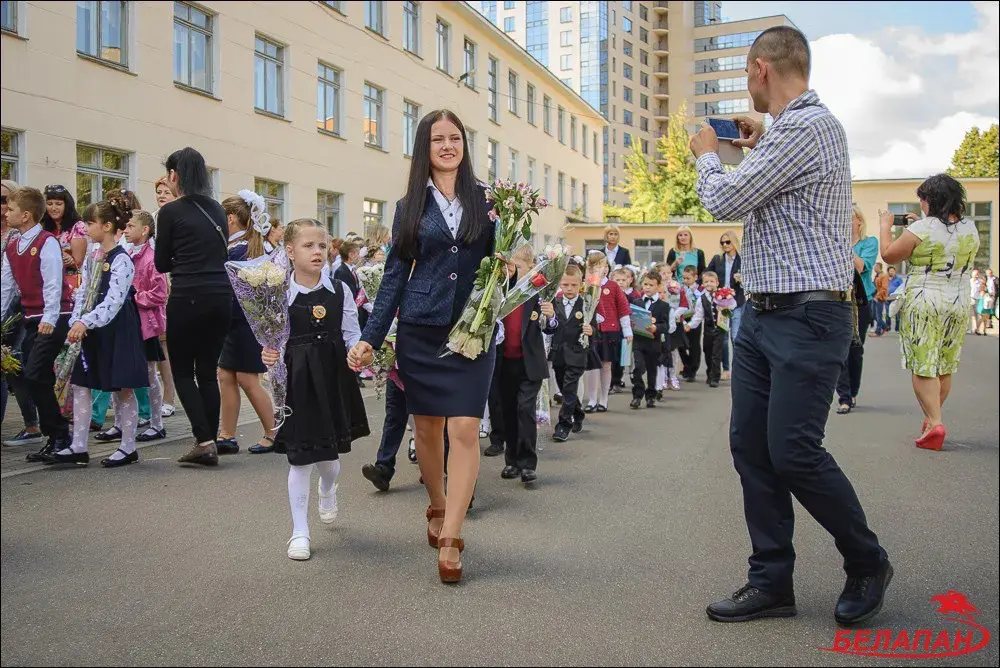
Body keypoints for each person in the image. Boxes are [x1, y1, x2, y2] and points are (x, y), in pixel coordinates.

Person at [691, 26, 891, 625]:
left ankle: (867, 560)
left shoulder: (810, 126)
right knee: (751, 447)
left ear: (759, 70)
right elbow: (776, 184)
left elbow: (725, 201)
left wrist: (708, 152)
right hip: (763, 313)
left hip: (809, 313)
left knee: (794, 451)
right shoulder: (792, 131)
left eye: (746, 76)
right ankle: (771, 581)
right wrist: (760, 137)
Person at [347, 109, 495, 584]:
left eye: (455, 138)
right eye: (438, 140)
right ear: (424, 148)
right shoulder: (409, 205)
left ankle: (452, 534)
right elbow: (393, 277)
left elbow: (498, 260)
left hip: (472, 333)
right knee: (428, 431)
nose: (448, 146)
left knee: (467, 429)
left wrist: (510, 267)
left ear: (464, 145)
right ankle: (435, 503)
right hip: (421, 331)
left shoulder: (490, 201)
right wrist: (370, 338)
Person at [261, 219, 369, 560]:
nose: (317, 252)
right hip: (297, 380)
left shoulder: (340, 289)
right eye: (308, 246)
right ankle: (299, 532)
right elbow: (269, 338)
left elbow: (351, 331)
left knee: (329, 460)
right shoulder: (277, 291)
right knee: (299, 459)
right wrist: (266, 354)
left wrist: (358, 350)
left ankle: (327, 488)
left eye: (322, 245)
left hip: (333, 375)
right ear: (290, 251)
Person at [44, 193, 148, 467]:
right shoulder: (93, 256)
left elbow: (114, 300)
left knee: (121, 388)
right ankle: (79, 445)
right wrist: (76, 320)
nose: (86, 228)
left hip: (116, 328)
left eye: (90, 223)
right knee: (81, 384)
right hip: (92, 327)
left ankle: (128, 446)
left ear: (107, 227)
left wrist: (85, 321)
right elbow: (83, 292)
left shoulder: (121, 259)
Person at [878, 175, 980, 450]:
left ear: (930, 200)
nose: (921, 204)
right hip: (957, 299)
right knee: (945, 364)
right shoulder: (970, 228)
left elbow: (888, 255)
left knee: (923, 363)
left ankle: (935, 422)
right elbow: (944, 236)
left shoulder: (922, 228)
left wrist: (886, 227)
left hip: (926, 298)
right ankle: (932, 419)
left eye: (922, 199)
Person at [154, 147, 234, 467]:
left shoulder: (170, 212)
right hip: (220, 298)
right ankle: (209, 439)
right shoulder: (216, 209)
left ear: (174, 176)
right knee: (208, 373)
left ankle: (203, 440)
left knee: (184, 372)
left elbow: (161, 263)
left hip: (187, 296)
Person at [1, 187, 74, 462]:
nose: (6, 213)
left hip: (53, 318)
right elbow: (6, 287)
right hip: (32, 319)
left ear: (27, 215)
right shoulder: (12, 244)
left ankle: (59, 434)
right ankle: (57, 438)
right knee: (35, 378)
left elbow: (54, 283)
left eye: (11, 209)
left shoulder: (46, 242)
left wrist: (50, 318)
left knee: (34, 374)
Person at [217, 192, 277, 455]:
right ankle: (227, 434)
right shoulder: (237, 245)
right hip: (233, 321)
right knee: (226, 375)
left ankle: (274, 431)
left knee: (247, 377)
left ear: (230, 218)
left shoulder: (244, 249)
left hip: (246, 321)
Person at [498, 245, 555, 485]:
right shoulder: (501, 291)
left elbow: (550, 326)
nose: (512, 271)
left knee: (525, 409)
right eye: (509, 267)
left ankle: (528, 463)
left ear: (531, 268)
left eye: (517, 267)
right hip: (503, 362)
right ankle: (511, 460)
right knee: (508, 411)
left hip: (529, 362)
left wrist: (550, 315)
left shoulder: (537, 292)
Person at [1, 179, 44, 448]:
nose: (2, 207)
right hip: (4, 298)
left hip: (18, 305)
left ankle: (32, 424)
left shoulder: (21, 235)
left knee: (12, 363)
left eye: (5, 200)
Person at [121, 210, 169, 443]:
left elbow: (160, 294)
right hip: (129, 322)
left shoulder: (152, 258)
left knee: (150, 374)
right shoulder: (128, 253)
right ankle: (120, 423)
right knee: (121, 372)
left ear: (145, 230)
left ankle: (157, 423)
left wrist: (133, 297)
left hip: (147, 324)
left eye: (131, 226)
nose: (126, 230)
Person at [835, 205, 878, 414]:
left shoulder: (869, 243)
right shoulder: (834, 241)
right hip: (838, 299)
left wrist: (844, 245)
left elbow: (861, 267)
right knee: (839, 349)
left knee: (855, 349)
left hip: (861, 301)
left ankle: (852, 391)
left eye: (849, 218)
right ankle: (843, 397)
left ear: (859, 221)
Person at [583, 251, 633, 412]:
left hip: (610, 331)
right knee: (592, 366)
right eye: (597, 265)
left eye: (604, 265)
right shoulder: (586, 286)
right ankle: (591, 399)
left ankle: (604, 399)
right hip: (591, 331)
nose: (601, 269)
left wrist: (627, 330)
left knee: (606, 365)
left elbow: (623, 309)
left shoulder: (613, 286)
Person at [550, 264, 595, 442]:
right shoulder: (555, 302)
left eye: (573, 285)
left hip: (577, 353)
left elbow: (596, 327)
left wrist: (591, 329)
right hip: (559, 353)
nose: (569, 289)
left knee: (569, 388)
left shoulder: (586, 304)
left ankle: (563, 424)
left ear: (580, 285)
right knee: (563, 387)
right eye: (566, 285)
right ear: (560, 284)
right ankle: (577, 412)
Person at [630, 271, 672, 408]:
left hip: (653, 342)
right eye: (645, 284)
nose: (647, 287)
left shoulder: (663, 305)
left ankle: (651, 396)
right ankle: (637, 395)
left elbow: (666, 326)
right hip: (638, 341)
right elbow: (631, 318)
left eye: (651, 285)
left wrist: (656, 327)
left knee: (652, 371)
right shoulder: (636, 302)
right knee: (638, 368)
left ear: (659, 286)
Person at [707, 231, 745, 379]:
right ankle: (726, 369)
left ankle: (739, 368)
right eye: (722, 243)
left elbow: (752, 279)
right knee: (722, 338)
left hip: (737, 302)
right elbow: (707, 274)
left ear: (734, 242)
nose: (725, 245)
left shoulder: (742, 260)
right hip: (721, 304)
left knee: (736, 337)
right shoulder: (718, 259)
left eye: (728, 242)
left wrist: (741, 279)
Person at [693, 271, 724, 388]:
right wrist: (690, 325)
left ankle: (715, 376)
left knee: (717, 353)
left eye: (712, 281)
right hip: (708, 329)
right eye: (706, 282)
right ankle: (709, 372)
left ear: (717, 283)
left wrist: (726, 307)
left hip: (720, 329)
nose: (709, 284)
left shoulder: (724, 294)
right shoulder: (701, 298)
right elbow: (698, 315)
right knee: (708, 351)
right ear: (702, 284)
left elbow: (732, 305)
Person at [678, 266, 703, 382]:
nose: (685, 280)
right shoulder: (680, 288)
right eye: (684, 278)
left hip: (695, 318)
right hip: (683, 317)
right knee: (681, 344)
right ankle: (686, 365)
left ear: (695, 277)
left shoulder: (700, 289)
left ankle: (693, 369)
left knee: (694, 344)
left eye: (688, 278)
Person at [873, 263, 890, 336]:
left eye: (875, 267)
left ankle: (878, 331)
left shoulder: (884, 276)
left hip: (880, 298)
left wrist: (877, 297)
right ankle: (885, 327)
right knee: (874, 315)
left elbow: (884, 288)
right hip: (875, 297)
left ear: (879, 267)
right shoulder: (877, 275)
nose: (874, 268)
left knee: (878, 315)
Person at [887, 266, 903, 332]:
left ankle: (897, 328)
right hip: (888, 297)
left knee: (897, 314)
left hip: (896, 297)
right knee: (888, 313)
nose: (892, 272)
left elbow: (902, 287)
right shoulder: (886, 278)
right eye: (890, 271)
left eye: (893, 271)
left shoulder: (898, 279)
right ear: (888, 272)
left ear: (895, 272)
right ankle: (888, 327)